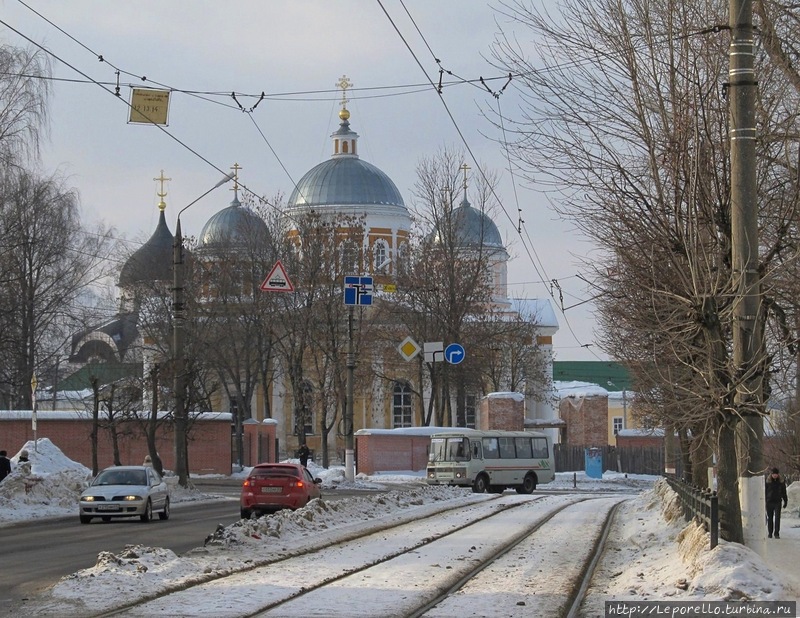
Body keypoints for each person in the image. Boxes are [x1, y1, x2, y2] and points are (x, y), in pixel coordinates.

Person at [765, 467, 788, 539]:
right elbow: (764, 492)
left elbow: (784, 492)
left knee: (777, 518)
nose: (774, 475)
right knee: (770, 518)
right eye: (773, 474)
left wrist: (785, 501)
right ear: (771, 474)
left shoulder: (781, 482)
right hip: (769, 502)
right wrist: (764, 501)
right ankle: (770, 533)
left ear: (778, 474)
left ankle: (776, 533)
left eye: (776, 474)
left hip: (777, 502)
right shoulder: (768, 482)